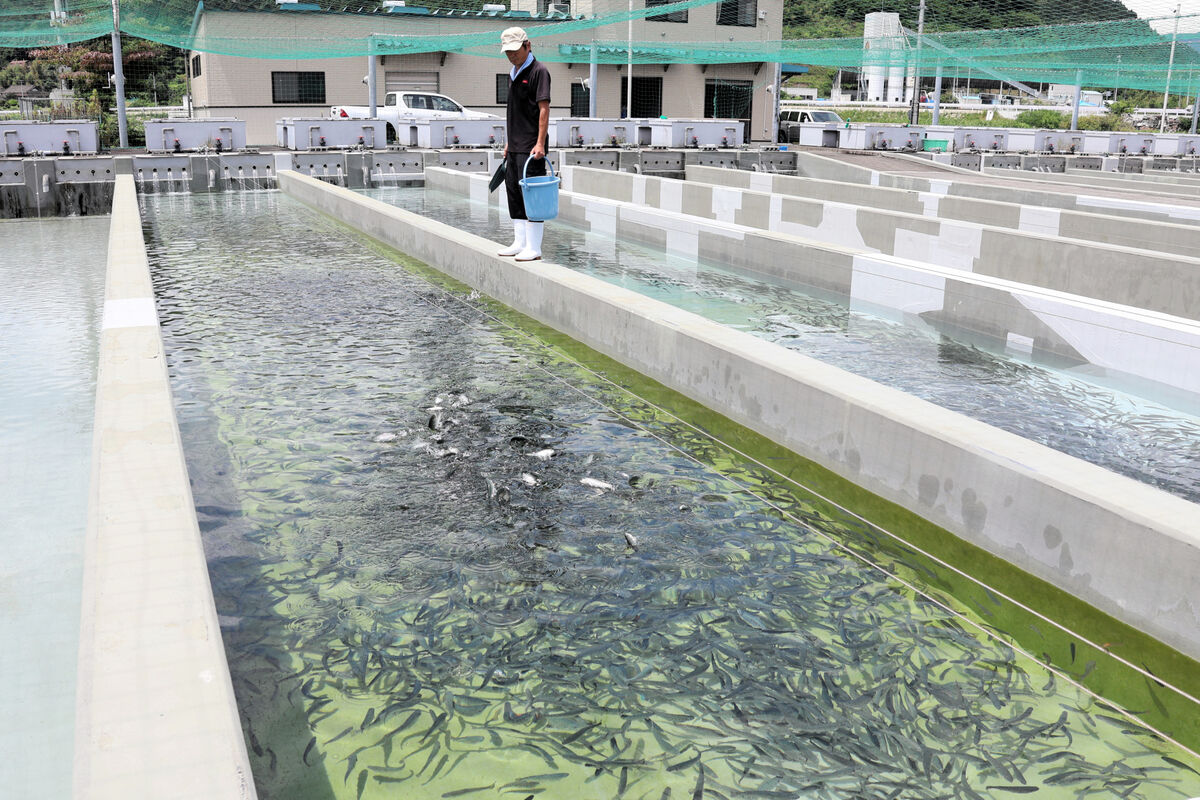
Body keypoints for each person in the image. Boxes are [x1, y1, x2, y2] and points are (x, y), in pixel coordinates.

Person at [497, 27, 551, 262]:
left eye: (515, 50)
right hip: (515, 145)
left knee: (532, 197)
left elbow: (544, 109)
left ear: (527, 45)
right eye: (507, 52)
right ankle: (519, 243)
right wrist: (509, 142)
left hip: (532, 148)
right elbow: (515, 112)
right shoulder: (513, 72)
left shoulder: (539, 71)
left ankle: (534, 247)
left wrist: (540, 143)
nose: (511, 55)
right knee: (514, 194)